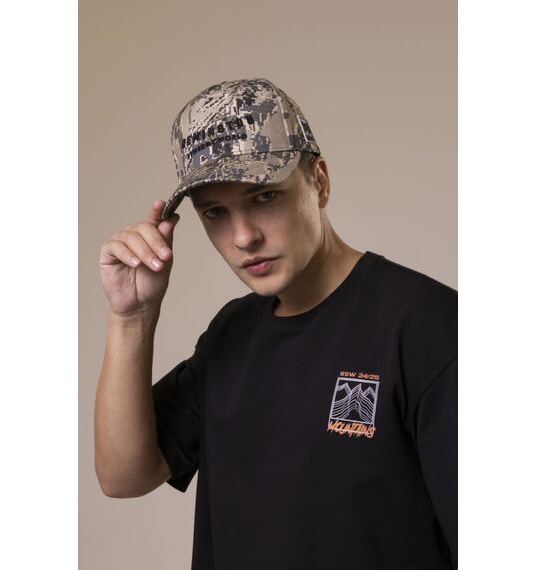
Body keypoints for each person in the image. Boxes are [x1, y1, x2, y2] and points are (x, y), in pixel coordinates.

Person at [95, 77, 457, 570]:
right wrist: (131, 318)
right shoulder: (231, 333)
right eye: (216, 213)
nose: (243, 237)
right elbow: (124, 476)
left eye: (264, 197)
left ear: (319, 181)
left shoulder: (429, 327)